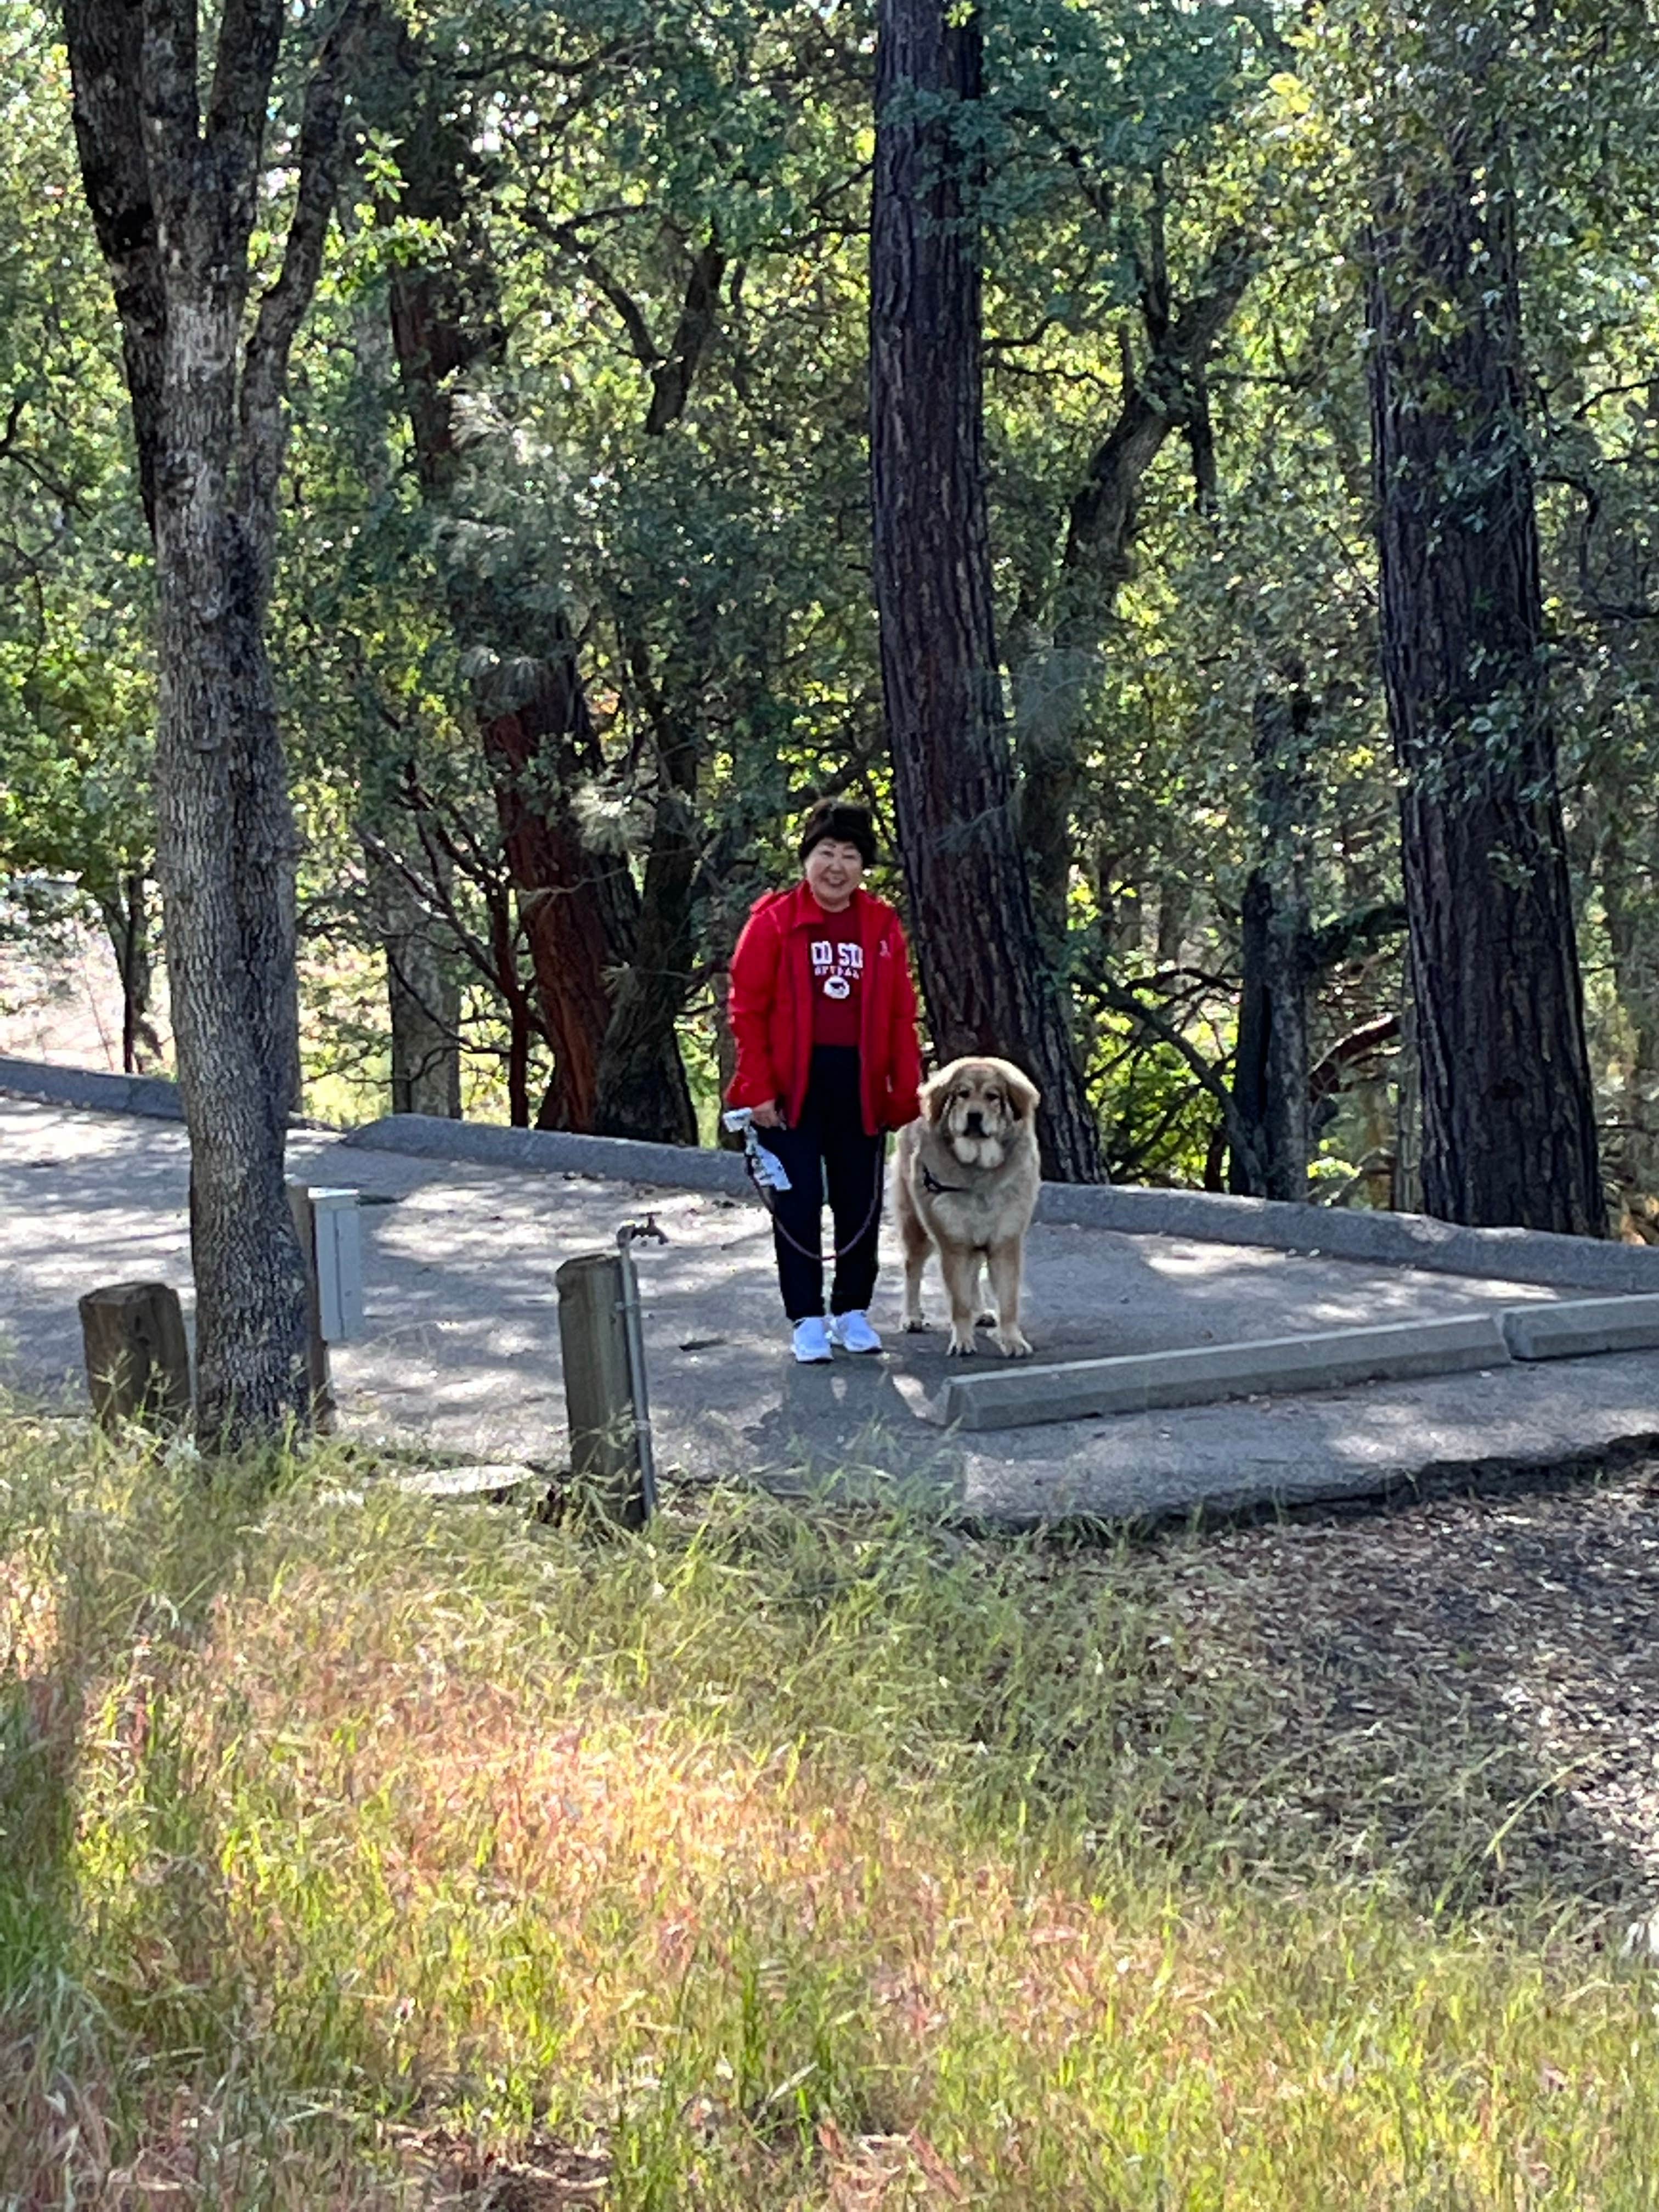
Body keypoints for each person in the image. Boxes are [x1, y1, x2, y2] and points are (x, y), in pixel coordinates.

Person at [727, 798, 924, 1363]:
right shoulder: (773, 921)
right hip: (791, 1086)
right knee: (799, 1200)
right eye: (826, 853)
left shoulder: (882, 926)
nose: (836, 866)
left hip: (858, 1083)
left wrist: (903, 1091)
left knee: (859, 1198)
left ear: (863, 866)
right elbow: (747, 1010)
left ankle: (852, 1311)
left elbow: (898, 1014)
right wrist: (758, 1089)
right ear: (807, 859)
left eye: (850, 855)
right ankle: (807, 1318)